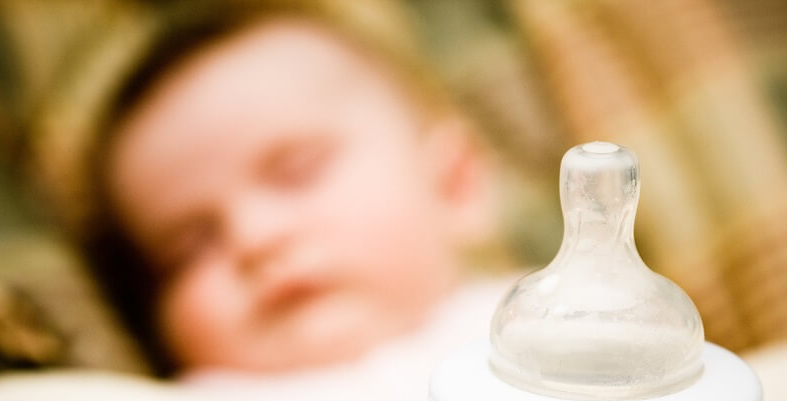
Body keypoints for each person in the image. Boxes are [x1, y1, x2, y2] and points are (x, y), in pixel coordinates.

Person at [86, 2, 506, 381]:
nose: (255, 237)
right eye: (189, 249)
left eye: (297, 172)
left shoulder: (537, 329)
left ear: (454, 185)